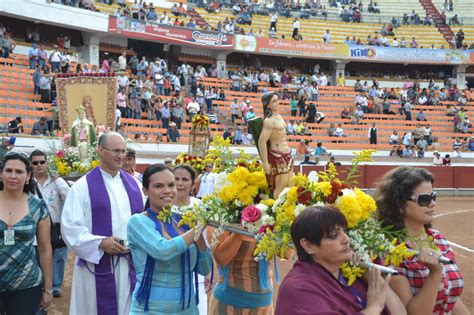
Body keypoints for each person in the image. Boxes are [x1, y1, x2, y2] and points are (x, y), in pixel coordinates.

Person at [61, 133, 145, 315]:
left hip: (130, 263)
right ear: (100, 150)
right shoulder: (82, 186)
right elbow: (70, 227)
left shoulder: (135, 185)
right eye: (116, 150)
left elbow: (144, 221)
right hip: (97, 264)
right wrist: (100, 243)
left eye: (123, 151)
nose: (121, 156)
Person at [275, 206, 406, 315]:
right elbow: (375, 307)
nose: (346, 239)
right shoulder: (298, 287)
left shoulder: (350, 274)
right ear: (308, 246)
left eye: (345, 231)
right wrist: (374, 308)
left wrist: (369, 275)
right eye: (333, 236)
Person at [375, 167, 469, 314]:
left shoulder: (438, 238)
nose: (432, 203)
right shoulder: (389, 249)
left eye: (433, 196)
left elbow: (450, 298)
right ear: (400, 204)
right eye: (424, 199)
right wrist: (435, 275)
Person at [127, 164, 212, 314]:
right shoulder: (137, 222)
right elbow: (163, 251)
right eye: (159, 186)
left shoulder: (183, 221)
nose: (167, 191)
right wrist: (199, 227)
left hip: (188, 309)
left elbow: (204, 268)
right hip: (151, 310)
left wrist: (197, 234)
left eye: (171, 185)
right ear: (145, 191)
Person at [0, 152, 53, 313]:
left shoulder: (38, 206)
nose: (13, 176)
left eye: (19, 172)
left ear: (28, 176)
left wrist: (48, 289)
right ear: (1, 174)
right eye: (8, 170)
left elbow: (45, 249)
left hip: (27, 283)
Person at [30, 150, 70, 298]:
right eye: (35, 163)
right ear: (30, 165)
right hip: (34, 227)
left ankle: (56, 285)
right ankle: (40, 284)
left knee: (59, 256)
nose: (39, 165)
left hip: (55, 226)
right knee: (37, 255)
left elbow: (69, 196)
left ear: (47, 163)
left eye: (42, 162)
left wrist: (58, 179)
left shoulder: (56, 181)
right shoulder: (28, 182)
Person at [173, 164, 212, 314]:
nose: (180, 183)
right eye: (176, 179)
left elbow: (206, 242)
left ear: (193, 183)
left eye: (185, 179)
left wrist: (208, 272)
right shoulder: (163, 207)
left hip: (197, 272)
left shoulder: (200, 206)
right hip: (171, 272)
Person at [254, 91, 294, 198]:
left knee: (291, 184)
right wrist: (265, 162)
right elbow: (262, 141)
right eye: (274, 101)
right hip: (277, 155)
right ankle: (276, 211)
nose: (277, 103)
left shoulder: (279, 117)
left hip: (288, 154)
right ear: (268, 105)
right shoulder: (269, 121)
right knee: (281, 185)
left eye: (277, 100)